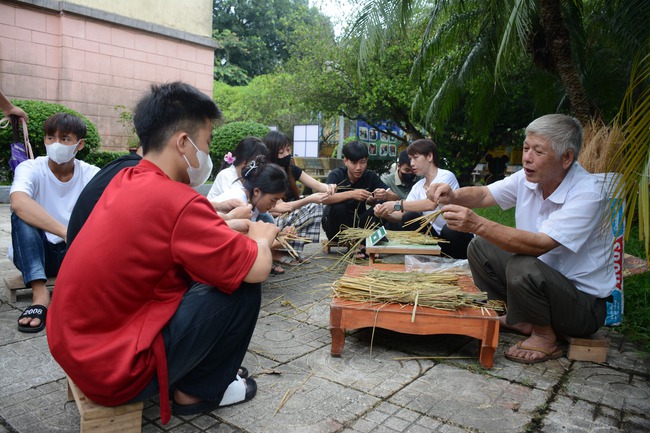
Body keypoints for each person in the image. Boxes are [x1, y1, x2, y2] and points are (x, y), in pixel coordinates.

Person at [46, 82, 279, 424]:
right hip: (114, 371)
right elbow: (256, 269)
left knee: (203, 274)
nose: (208, 153)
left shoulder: (127, 177)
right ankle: (197, 392)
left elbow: (164, 239)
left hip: (75, 347)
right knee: (242, 283)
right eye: (207, 141)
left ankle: (193, 369)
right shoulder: (177, 200)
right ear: (183, 142)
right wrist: (261, 237)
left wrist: (225, 227)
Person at [427, 114, 615, 364]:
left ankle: (544, 336)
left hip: (582, 307)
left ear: (566, 158)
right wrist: (453, 195)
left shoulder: (588, 193)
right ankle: (522, 318)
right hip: (544, 282)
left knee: (522, 265)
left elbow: (540, 244)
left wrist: (478, 223)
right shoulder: (528, 179)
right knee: (481, 247)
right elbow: (484, 194)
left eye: (538, 151)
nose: (527, 157)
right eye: (526, 148)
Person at [10, 112, 99, 332]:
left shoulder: (91, 174)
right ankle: (40, 295)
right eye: (51, 137)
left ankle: (77, 294)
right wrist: (65, 231)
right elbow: (19, 202)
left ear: (79, 145)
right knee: (21, 215)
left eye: (65, 139)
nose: (56, 143)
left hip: (72, 254)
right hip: (35, 254)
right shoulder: (31, 168)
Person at [374, 139, 474, 259]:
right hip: (436, 238)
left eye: (415, 158)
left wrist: (397, 204)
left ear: (430, 156)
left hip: (457, 236)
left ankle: (460, 262)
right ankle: (432, 258)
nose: (412, 163)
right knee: (409, 216)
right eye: (410, 159)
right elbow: (402, 215)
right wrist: (384, 213)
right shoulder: (418, 186)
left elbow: (431, 204)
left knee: (450, 229)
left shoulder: (446, 176)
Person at [263, 130, 336, 264]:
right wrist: (309, 199)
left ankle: (292, 250)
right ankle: (276, 252)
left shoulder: (291, 169)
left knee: (316, 207)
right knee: (312, 205)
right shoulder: (268, 173)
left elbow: (318, 185)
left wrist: (330, 187)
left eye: (288, 150)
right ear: (271, 153)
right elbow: (280, 208)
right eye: (281, 152)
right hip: (272, 221)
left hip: (290, 215)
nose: (286, 155)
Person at [321, 141, 398, 245]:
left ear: (367, 160)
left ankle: (367, 241)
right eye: (354, 163)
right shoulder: (337, 175)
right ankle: (355, 243)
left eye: (362, 162)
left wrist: (386, 195)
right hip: (336, 230)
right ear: (345, 161)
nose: (358, 167)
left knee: (382, 205)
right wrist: (352, 194)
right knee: (339, 207)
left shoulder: (370, 176)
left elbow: (396, 198)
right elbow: (324, 199)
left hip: (359, 225)